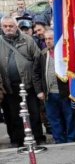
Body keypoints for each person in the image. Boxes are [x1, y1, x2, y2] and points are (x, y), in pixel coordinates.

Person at [0, 16, 44, 147]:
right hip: (9, 87)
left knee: (34, 113)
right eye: (5, 26)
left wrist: (37, 83)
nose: (8, 28)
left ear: (16, 26)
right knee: (13, 116)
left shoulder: (28, 40)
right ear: (2, 27)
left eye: (11, 26)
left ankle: (38, 137)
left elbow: (37, 59)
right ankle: (17, 140)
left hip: (28, 85)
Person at [33, 28, 75, 143]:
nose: (48, 41)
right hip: (49, 93)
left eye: (50, 38)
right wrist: (39, 91)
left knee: (70, 116)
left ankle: (71, 138)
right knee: (54, 118)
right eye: (46, 39)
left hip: (65, 92)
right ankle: (59, 139)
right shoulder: (42, 54)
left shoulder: (65, 53)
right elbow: (36, 74)